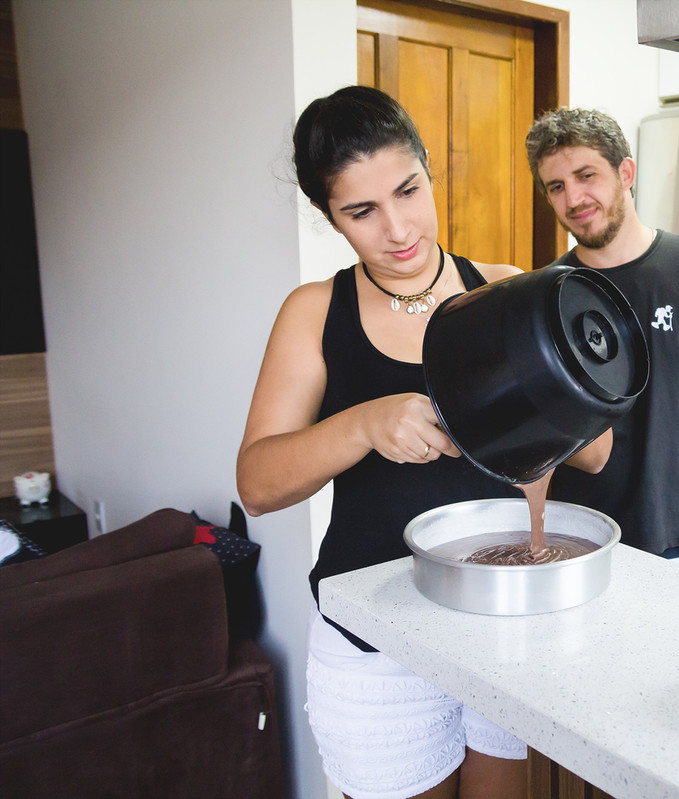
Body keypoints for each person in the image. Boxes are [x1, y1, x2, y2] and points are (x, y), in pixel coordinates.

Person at [237, 86, 609, 799]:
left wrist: (557, 403)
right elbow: (257, 485)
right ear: (328, 215)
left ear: (429, 170)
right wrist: (362, 424)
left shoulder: (504, 290)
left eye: (409, 191)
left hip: (499, 627)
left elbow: (594, 453)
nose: (399, 228)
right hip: (377, 642)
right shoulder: (315, 312)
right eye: (361, 211)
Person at [524, 107, 679, 574]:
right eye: (556, 186)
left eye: (586, 175)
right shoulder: (545, 294)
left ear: (626, 173)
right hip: (581, 544)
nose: (573, 198)